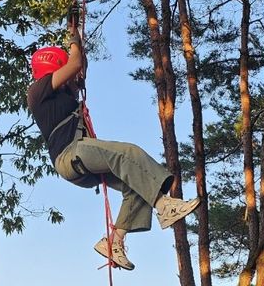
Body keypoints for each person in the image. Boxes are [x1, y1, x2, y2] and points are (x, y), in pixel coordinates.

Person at [27, 24, 200, 271]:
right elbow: (75, 64)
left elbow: (79, 68)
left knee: (136, 185)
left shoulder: (62, 97)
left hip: (79, 161)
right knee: (129, 154)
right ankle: (164, 205)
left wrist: (78, 40)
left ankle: (114, 241)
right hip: (71, 155)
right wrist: (73, 40)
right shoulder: (37, 91)